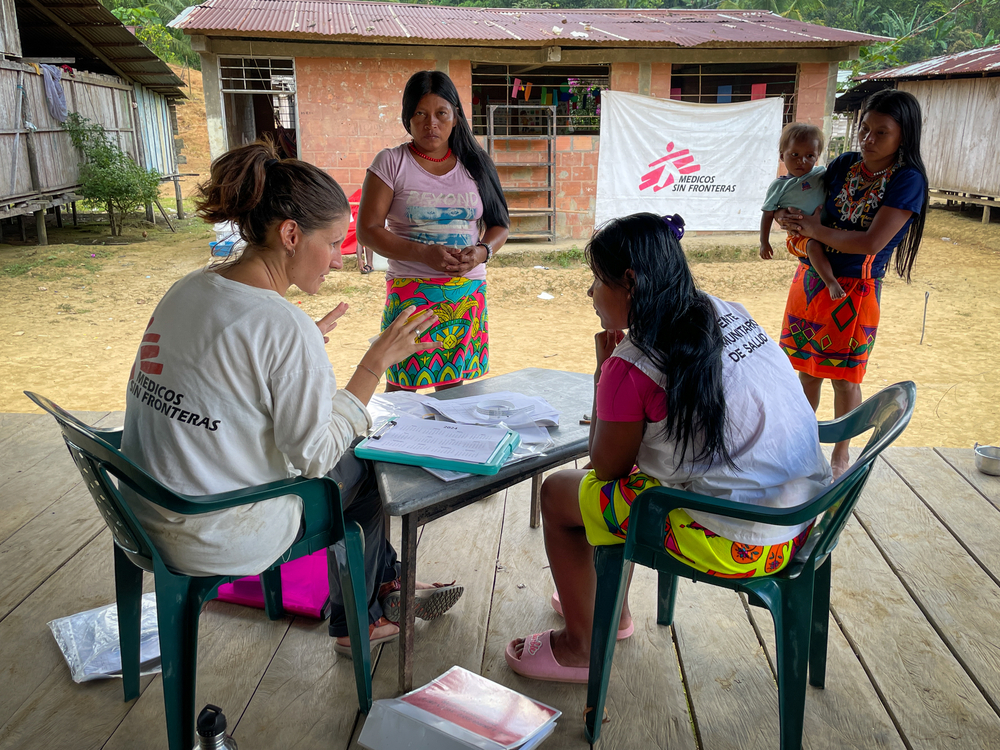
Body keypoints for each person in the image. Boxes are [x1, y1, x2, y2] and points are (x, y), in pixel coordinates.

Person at [120, 141, 463, 656]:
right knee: (364, 471)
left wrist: (298, 353)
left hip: (141, 505)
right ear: (290, 234)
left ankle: (387, 581)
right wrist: (374, 364)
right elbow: (315, 456)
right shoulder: (282, 325)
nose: (340, 261)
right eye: (333, 242)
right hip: (213, 528)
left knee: (354, 461)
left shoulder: (190, 287)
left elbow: (220, 371)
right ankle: (358, 622)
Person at [504, 212, 832, 683]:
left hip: (736, 541)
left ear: (631, 282)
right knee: (645, 481)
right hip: (804, 518)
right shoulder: (729, 311)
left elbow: (606, 468)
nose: (590, 293)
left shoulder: (632, 365)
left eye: (597, 280)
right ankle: (602, 602)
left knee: (560, 493)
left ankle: (583, 644)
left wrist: (605, 377)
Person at [775, 90, 928, 478]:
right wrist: (788, 217)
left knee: (844, 379)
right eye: (864, 128)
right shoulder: (844, 165)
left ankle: (841, 452)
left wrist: (815, 230)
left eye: (881, 132)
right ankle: (801, 443)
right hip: (810, 282)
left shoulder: (907, 180)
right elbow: (808, 206)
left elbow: (871, 242)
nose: (868, 139)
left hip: (854, 293)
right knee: (807, 372)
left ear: (903, 137)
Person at [357, 70, 509, 391]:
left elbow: (499, 225)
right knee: (402, 389)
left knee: (454, 394)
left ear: (455, 117)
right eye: (420, 114)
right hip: (411, 294)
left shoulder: (476, 163)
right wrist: (422, 253)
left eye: (441, 113)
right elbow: (368, 230)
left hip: (464, 296)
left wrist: (481, 252)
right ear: (406, 119)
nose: (431, 124)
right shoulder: (391, 163)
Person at [759, 123, 844, 300]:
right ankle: (831, 282)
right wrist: (764, 242)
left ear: (817, 157)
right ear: (782, 156)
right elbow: (767, 213)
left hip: (827, 230)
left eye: (809, 156)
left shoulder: (821, 174)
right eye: (795, 155)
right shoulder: (779, 186)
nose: (802, 161)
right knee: (813, 245)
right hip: (798, 237)